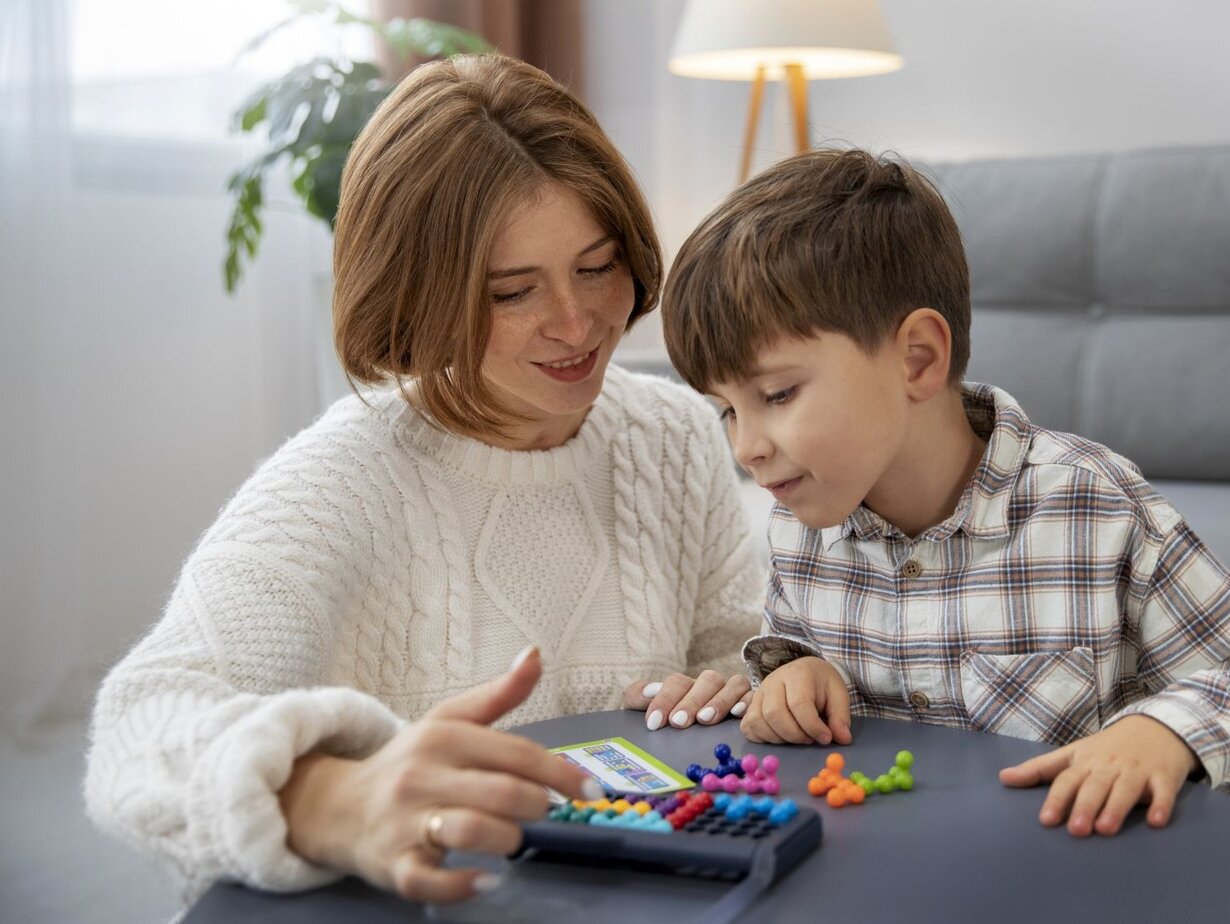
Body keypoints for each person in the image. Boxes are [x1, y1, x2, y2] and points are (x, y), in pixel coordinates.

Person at [85, 55, 762, 907]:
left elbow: (732, 642)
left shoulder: (675, 434)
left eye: (596, 267)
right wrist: (331, 799)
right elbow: (138, 727)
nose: (577, 321)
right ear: (418, 300)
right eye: (513, 292)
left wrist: (730, 681)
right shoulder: (341, 482)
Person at [660, 148, 1230, 839]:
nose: (746, 447)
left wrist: (1163, 735)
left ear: (917, 359)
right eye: (727, 410)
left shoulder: (1094, 508)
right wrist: (792, 679)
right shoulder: (801, 524)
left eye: (776, 395)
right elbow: (793, 653)